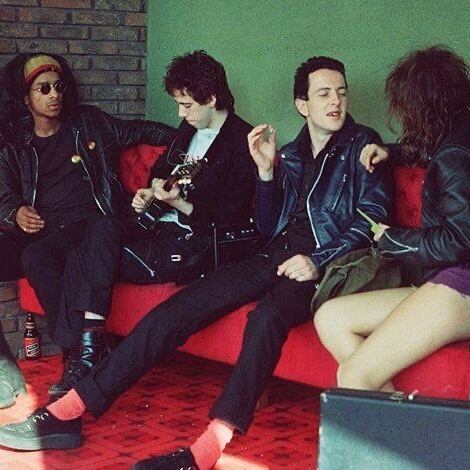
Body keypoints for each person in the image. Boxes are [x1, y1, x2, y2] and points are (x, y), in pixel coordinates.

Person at [0, 56, 392, 469]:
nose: (336, 101)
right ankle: (70, 410)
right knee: (174, 312)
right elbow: (268, 224)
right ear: (302, 104)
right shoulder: (292, 154)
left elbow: (371, 219)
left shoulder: (364, 147)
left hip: (319, 266)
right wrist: (265, 173)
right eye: (324, 94)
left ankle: (205, 450)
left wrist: (315, 260)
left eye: (341, 92)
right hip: (269, 255)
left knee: (265, 319)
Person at [48, 50, 256, 396]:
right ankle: (87, 353)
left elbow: (228, 218)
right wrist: (150, 190)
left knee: (83, 256)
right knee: (100, 228)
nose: (180, 113)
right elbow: (161, 171)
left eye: (186, 104)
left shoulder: (241, 143)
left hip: (193, 244)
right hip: (156, 225)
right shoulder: (189, 129)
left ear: (211, 98)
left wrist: (180, 203)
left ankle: (84, 355)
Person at [0, 52, 174, 396]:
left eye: (58, 86)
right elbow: (3, 193)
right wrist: (15, 212)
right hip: (46, 229)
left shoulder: (88, 122)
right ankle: (19, 365)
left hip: (93, 222)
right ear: (26, 98)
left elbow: (142, 130)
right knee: (34, 254)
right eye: (43, 88)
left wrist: (196, 141)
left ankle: (75, 356)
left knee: (39, 256)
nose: (54, 94)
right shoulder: (15, 144)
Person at [314, 46, 470, 393]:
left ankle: (395, 419)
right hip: (451, 280)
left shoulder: (455, 155)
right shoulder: (457, 133)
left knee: (354, 376)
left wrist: (392, 239)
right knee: (331, 317)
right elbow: (435, 152)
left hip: (462, 283)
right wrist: (391, 151)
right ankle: (398, 410)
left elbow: (461, 241)